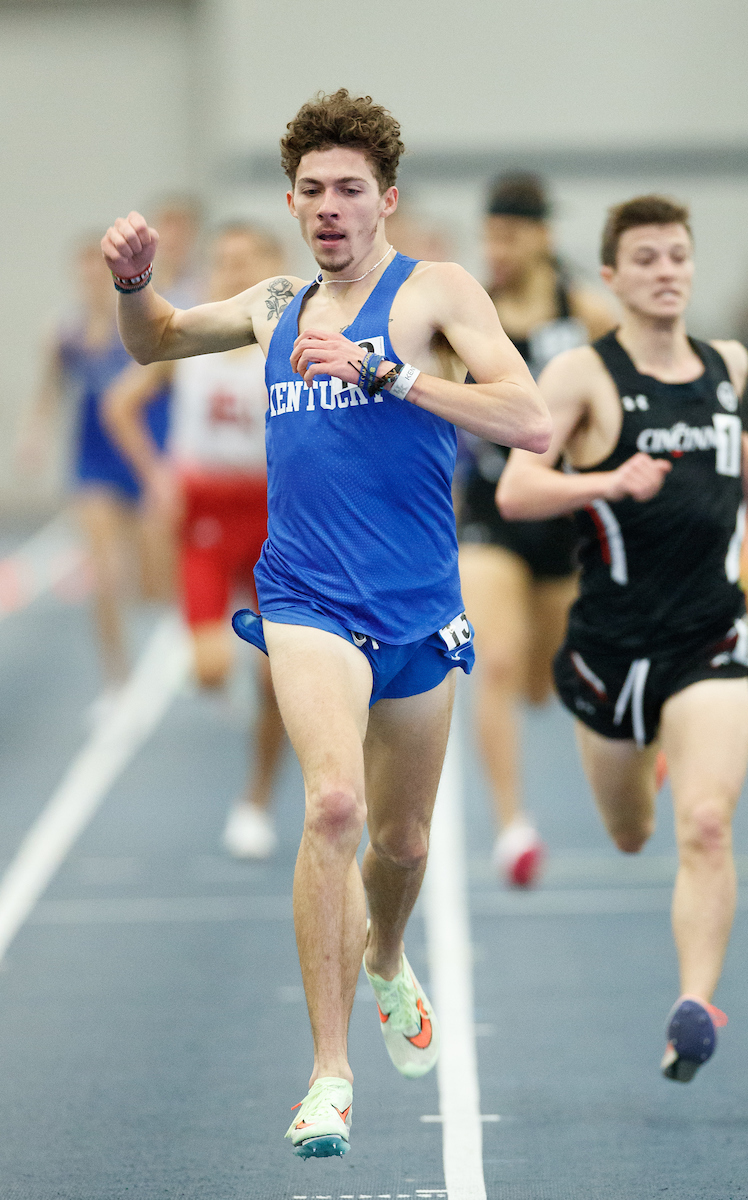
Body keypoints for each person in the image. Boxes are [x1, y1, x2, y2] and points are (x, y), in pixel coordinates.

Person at [101, 88, 550, 1158]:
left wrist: (391, 374)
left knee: (400, 841)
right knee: (336, 806)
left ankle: (388, 956)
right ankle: (329, 1073)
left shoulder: (434, 292)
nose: (331, 207)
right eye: (312, 191)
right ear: (293, 203)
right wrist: (132, 285)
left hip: (418, 609)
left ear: (385, 199)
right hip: (304, 599)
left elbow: (529, 417)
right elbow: (154, 342)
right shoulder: (272, 305)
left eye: (351, 189)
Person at [496, 194, 748, 1082]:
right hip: (610, 646)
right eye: (645, 258)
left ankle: (694, 1004)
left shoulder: (724, 361)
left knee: (711, 822)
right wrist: (607, 482)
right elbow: (517, 493)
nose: (666, 270)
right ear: (611, 276)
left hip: (709, 636)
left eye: (678, 255)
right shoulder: (581, 376)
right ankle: (644, 769)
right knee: (629, 833)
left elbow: (732, 451)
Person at [105, 223, 288, 860]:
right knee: (211, 671)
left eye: (247, 261)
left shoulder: (289, 333)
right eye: (224, 261)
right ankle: (224, 675)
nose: (232, 272)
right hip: (206, 511)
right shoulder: (191, 334)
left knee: (277, 684)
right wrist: (157, 477)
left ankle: (256, 801)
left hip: (273, 513)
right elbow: (119, 404)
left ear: (273, 267)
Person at [459, 173, 615, 886]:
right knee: (493, 662)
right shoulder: (469, 314)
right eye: (489, 233)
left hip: (564, 520)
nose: (496, 247)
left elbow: (632, 395)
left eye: (509, 234)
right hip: (491, 514)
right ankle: (513, 826)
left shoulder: (582, 314)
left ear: (542, 236)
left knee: (539, 685)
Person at [17, 237, 172, 700]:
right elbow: (51, 387)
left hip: (146, 447)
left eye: (98, 273)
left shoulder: (144, 321)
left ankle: (161, 657)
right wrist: (34, 432)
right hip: (94, 456)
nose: (90, 282)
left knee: (153, 580)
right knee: (104, 570)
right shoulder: (65, 331)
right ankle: (115, 674)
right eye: (83, 273)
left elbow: (170, 383)